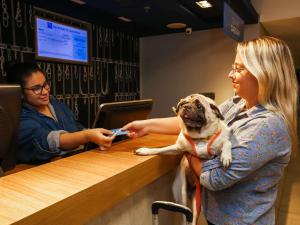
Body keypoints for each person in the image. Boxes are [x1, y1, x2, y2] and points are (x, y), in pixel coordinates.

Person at [122, 36, 298, 225]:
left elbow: (214, 178)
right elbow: (196, 123)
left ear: (264, 74)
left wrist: (187, 149)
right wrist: (146, 125)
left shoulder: (267, 126)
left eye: (238, 69)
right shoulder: (236, 104)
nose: (230, 74)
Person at [6, 62, 115, 164]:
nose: (45, 91)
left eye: (45, 85)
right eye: (36, 88)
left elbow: (75, 127)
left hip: (75, 161)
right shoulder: (20, 116)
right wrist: (87, 136)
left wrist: (95, 133)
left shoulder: (56, 104)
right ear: (20, 92)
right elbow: (49, 140)